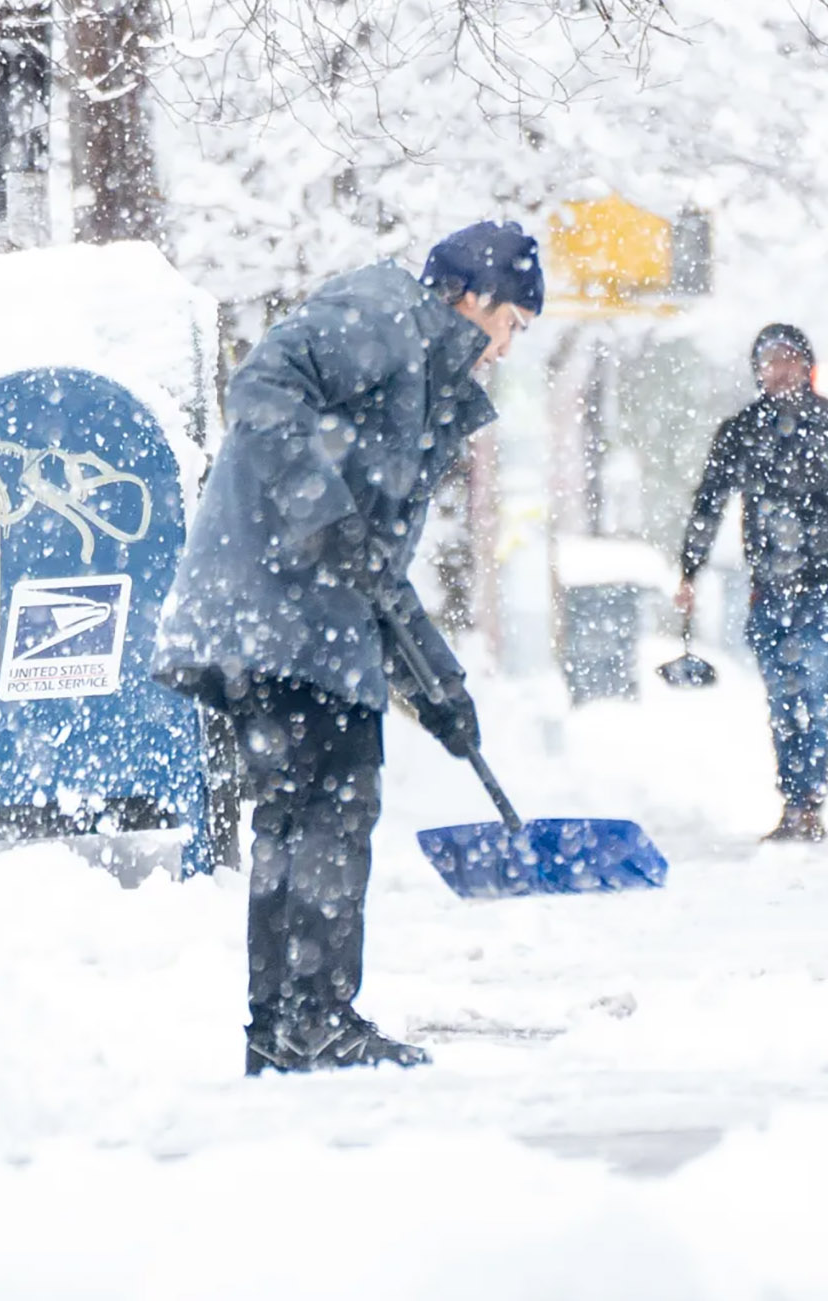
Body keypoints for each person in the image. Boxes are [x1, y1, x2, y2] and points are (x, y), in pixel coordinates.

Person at [154, 222, 542, 1074]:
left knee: (301, 815)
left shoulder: (426, 383)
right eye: (514, 321)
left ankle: (289, 1026)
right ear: (474, 297)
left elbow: (375, 569)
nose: (508, 347)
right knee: (327, 810)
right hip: (280, 611)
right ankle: (313, 1019)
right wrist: (320, 511)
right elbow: (260, 391)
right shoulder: (384, 315)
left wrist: (441, 690)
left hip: (305, 622)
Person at [676, 323, 828, 843]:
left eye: (788, 359)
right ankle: (795, 799)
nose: (780, 370)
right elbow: (709, 503)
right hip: (768, 587)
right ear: (757, 369)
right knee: (783, 698)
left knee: (816, 685)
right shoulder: (741, 432)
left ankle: (808, 800)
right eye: (770, 361)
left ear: (807, 365)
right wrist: (689, 569)